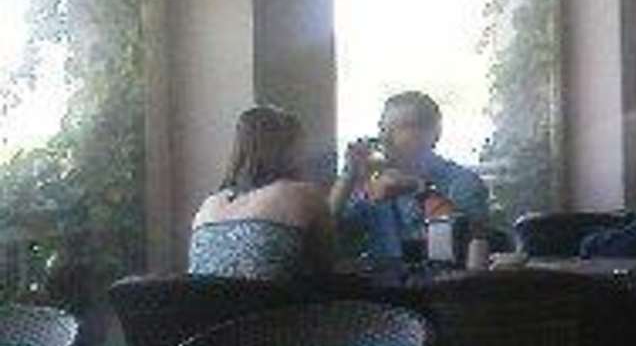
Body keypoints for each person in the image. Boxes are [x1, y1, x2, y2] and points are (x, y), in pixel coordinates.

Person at [330, 90, 491, 264]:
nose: (385, 138)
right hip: (381, 278)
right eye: (383, 128)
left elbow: (472, 244)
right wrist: (348, 175)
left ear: (433, 134)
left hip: (442, 279)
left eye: (401, 127)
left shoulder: (463, 183)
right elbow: (328, 231)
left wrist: (419, 190)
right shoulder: (374, 182)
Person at [188, 105, 337, 281]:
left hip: (201, 299)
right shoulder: (302, 194)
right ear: (290, 149)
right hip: (272, 299)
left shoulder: (209, 204)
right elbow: (326, 267)